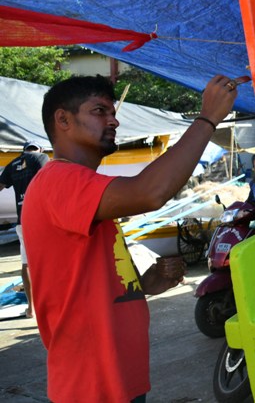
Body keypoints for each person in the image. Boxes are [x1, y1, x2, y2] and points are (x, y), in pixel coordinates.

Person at [23, 74, 237, 403]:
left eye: (112, 111)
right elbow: (149, 193)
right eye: (99, 111)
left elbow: (84, 281)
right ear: (63, 119)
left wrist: (142, 284)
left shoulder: (82, 185)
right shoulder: (58, 179)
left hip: (118, 379)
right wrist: (207, 118)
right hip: (89, 386)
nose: (114, 120)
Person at [0, 140, 49, 318]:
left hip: (23, 220)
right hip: (42, 218)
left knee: (26, 263)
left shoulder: (13, 163)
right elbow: (50, 180)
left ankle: (31, 308)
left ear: (23, 151)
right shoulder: (41, 158)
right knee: (51, 261)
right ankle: (54, 303)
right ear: (39, 149)